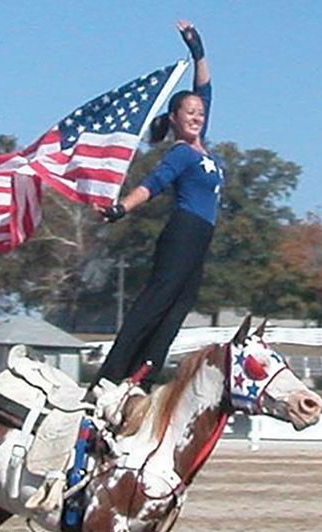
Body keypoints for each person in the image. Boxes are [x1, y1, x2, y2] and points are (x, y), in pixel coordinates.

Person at [91, 20, 224, 391]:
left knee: (175, 314)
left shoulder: (201, 144)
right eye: (190, 113)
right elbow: (152, 186)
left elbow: (204, 86)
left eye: (200, 112)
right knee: (154, 304)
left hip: (201, 240)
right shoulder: (181, 154)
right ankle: (108, 378)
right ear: (175, 119)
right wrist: (121, 209)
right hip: (183, 233)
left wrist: (198, 49)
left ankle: (141, 381)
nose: (197, 116)